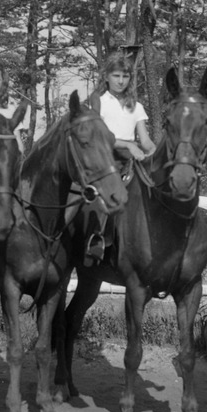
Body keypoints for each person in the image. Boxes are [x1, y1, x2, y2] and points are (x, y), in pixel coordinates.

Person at [84, 50, 156, 263]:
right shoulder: (97, 102)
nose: (121, 81)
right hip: (104, 158)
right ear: (106, 76)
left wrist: (154, 152)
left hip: (130, 161)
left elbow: (145, 140)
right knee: (107, 192)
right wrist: (127, 145)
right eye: (116, 76)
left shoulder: (137, 107)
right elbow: (98, 136)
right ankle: (96, 237)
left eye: (125, 76)